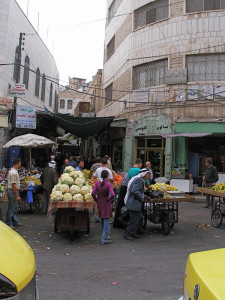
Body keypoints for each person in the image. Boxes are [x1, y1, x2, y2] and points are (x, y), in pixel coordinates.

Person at [124, 169, 149, 240]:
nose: (148, 175)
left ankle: (133, 233)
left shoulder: (138, 179)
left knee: (135, 219)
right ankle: (128, 234)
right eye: (148, 174)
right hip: (134, 203)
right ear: (144, 174)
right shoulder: (138, 180)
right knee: (133, 220)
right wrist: (141, 197)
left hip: (134, 203)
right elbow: (134, 190)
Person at [92, 170, 115, 245]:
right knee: (106, 221)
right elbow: (112, 194)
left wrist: (96, 199)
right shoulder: (108, 184)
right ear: (107, 176)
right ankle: (104, 239)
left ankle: (105, 236)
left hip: (100, 203)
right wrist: (108, 199)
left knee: (103, 220)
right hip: (106, 203)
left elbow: (93, 193)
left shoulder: (97, 183)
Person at [6, 158, 22, 229]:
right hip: (12, 191)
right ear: (18, 163)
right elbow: (13, 185)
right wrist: (17, 195)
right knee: (11, 208)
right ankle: (8, 223)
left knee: (14, 207)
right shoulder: (13, 173)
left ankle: (15, 221)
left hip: (14, 191)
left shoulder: (15, 171)